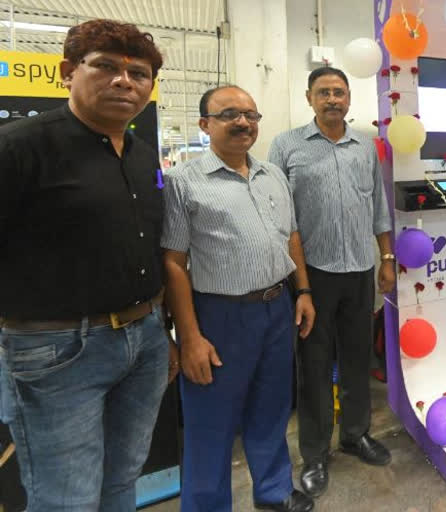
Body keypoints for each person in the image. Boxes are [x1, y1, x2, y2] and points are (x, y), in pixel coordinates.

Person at [0, 19, 175, 511]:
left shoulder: (142, 155)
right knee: (66, 498)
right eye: (106, 67)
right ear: (66, 72)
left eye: (139, 73)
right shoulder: (20, 147)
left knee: (122, 480)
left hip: (143, 342)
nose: (125, 81)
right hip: (56, 351)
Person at [162, 86, 315, 512]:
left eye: (250, 114)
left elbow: (292, 237)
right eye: (229, 114)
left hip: (278, 307)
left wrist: (302, 291)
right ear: (204, 124)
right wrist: (189, 336)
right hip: (220, 316)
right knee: (211, 421)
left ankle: (273, 490)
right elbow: (173, 263)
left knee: (272, 407)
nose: (243, 122)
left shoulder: (273, 175)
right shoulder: (183, 182)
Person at [268, 67, 395, 498]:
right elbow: (279, 216)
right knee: (315, 366)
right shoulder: (286, 146)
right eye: (324, 92)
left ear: (348, 98)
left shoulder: (365, 147)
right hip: (313, 275)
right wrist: (298, 282)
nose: (332, 99)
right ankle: (316, 454)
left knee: (358, 358)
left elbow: (379, 206)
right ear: (309, 98)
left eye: (339, 92)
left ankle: (355, 435)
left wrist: (387, 258)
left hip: (360, 269)